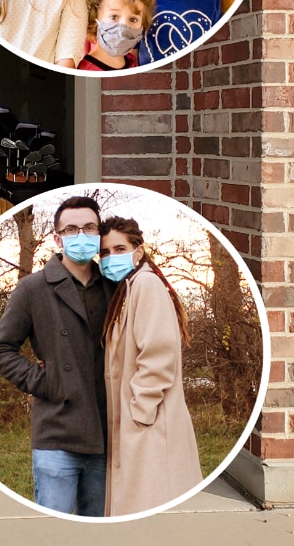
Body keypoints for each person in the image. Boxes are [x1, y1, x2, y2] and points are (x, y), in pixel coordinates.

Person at [0, 196, 116, 517]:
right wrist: (46, 382)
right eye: (71, 229)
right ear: (57, 238)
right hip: (57, 431)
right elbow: (0, 350)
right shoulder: (33, 288)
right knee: (54, 529)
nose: (81, 235)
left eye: (89, 228)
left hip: (108, 431)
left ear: (99, 234)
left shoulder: (116, 288)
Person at [99, 216, 202, 516]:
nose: (111, 257)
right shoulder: (129, 287)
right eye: (104, 252)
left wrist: (139, 411)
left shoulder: (146, 284)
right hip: (140, 424)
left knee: (151, 507)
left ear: (139, 250)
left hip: (150, 424)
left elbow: (158, 355)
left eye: (120, 248)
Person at [77, 0, 155, 72]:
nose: (124, 25)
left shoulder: (132, 61)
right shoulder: (86, 71)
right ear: (95, 20)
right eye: (114, 17)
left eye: (133, 19)